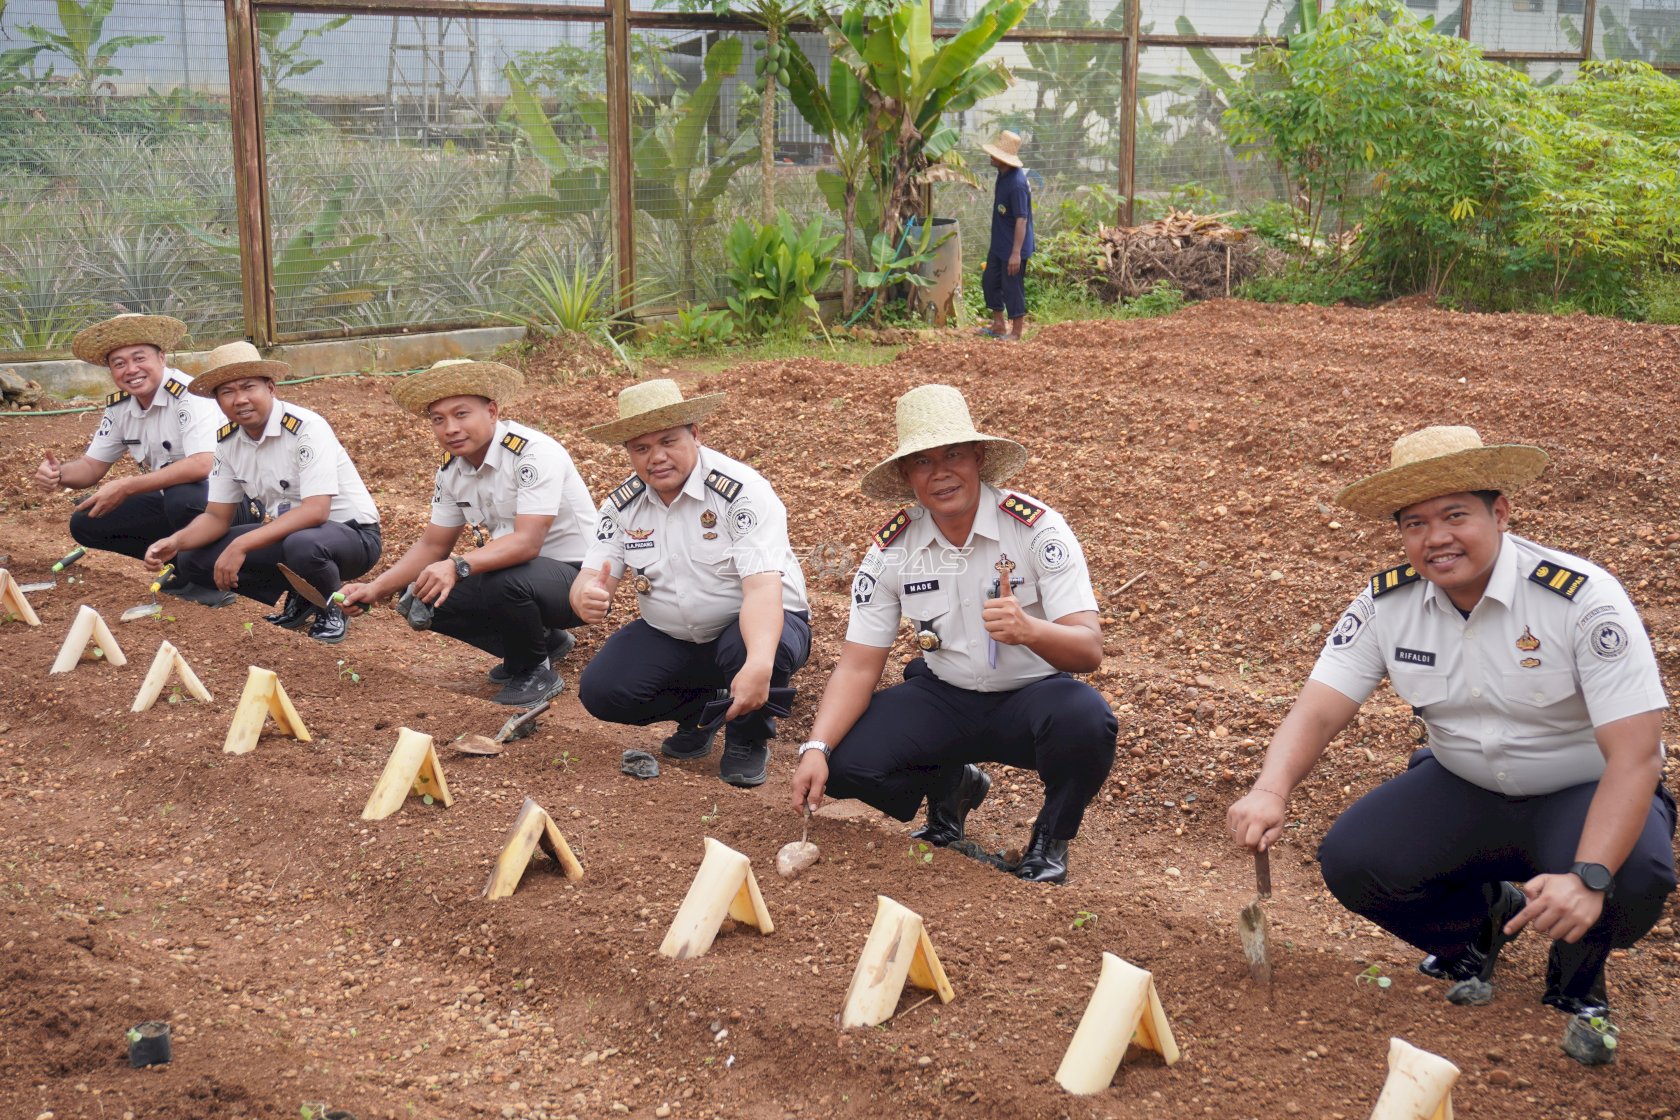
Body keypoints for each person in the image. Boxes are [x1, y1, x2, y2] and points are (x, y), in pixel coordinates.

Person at [1227, 426, 1674, 1066]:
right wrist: (1269, 790)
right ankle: (1477, 930)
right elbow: (1319, 709)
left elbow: (1637, 756)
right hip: (1465, 783)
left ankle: (1578, 978)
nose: (1435, 538)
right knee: (1357, 858)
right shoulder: (1388, 604)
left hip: (1583, 789)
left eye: (1455, 514)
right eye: (1414, 523)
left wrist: (1589, 874)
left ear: (1501, 511)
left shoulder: (1579, 598)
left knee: (1631, 877)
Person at [790, 385, 1116, 884]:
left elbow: (1089, 649)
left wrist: (1029, 629)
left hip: (1032, 699)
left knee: (1086, 721)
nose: (940, 473)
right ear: (906, 476)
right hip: (947, 695)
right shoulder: (891, 550)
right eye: (922, 462)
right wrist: (815, 747)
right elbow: (858, 664)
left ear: (979, 458)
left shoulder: (1036, 529)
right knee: (847, 761)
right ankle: (954, 784)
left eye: (953, 455)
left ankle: (1050, 839)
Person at [570, 379, 811, 788]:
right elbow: (593, 574)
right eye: (641, 449)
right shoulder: (621, 505)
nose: (656, 458)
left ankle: (748, 737)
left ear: (695, 435)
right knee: (603, 691)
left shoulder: (741, 493)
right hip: (676, 633)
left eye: (668, 441)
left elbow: (762, 590)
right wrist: (584, 597)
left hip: (761, 622)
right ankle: (701, 711)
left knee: (744, 648)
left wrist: (757, 665)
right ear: (628, 452)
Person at [339, 360, 596, 706]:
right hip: (522, 576)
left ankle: (535, 672)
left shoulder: (532, 454)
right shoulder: (451, 470)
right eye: (438, 419)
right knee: (421, 594)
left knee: (497, 580)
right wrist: (375, 588)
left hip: (580, 579)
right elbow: (433, 544)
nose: (450, 428)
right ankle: (541, 644)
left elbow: (527, 542)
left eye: (461, 414)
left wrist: (458, 565)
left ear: (491, 412)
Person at [142, 341, 382, 644]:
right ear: (217, 401)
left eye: (248, 387)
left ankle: (330, 605)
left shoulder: (307, 427)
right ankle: (302, 592)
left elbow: (315, 511)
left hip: (353, 536)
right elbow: (217, 515)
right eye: (227, 392)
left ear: (271, 387)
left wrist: (240, 545)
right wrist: (174, 542)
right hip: (291, 534)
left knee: (301, 545)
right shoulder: (228, 443)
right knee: (193, 559)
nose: (239, 399)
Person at [30, 314, 237, 606]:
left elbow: (203, 463)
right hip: (180, 503)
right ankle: (181, 564)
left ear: (162, 358)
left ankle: (207, 579)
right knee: (86, 521)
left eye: (139, 358)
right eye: (119, 363)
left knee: (183, 495)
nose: (131, 370)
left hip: (229, 504)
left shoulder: (188, 395)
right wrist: (58, 473)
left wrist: (128, 485)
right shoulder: (120, 408)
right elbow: (91, 468)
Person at [978, 130, 1034, 342]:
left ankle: (1017, 332)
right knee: (990, 281)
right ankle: (999, 324)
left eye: (994, 154)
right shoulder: (1003, 175)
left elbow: (1022, 219)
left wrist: (1016, 254)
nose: (991, 157)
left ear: (1004, 159)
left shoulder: (1017, 184)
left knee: (1013, 287)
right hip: (1000, 243)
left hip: (1014, 247)